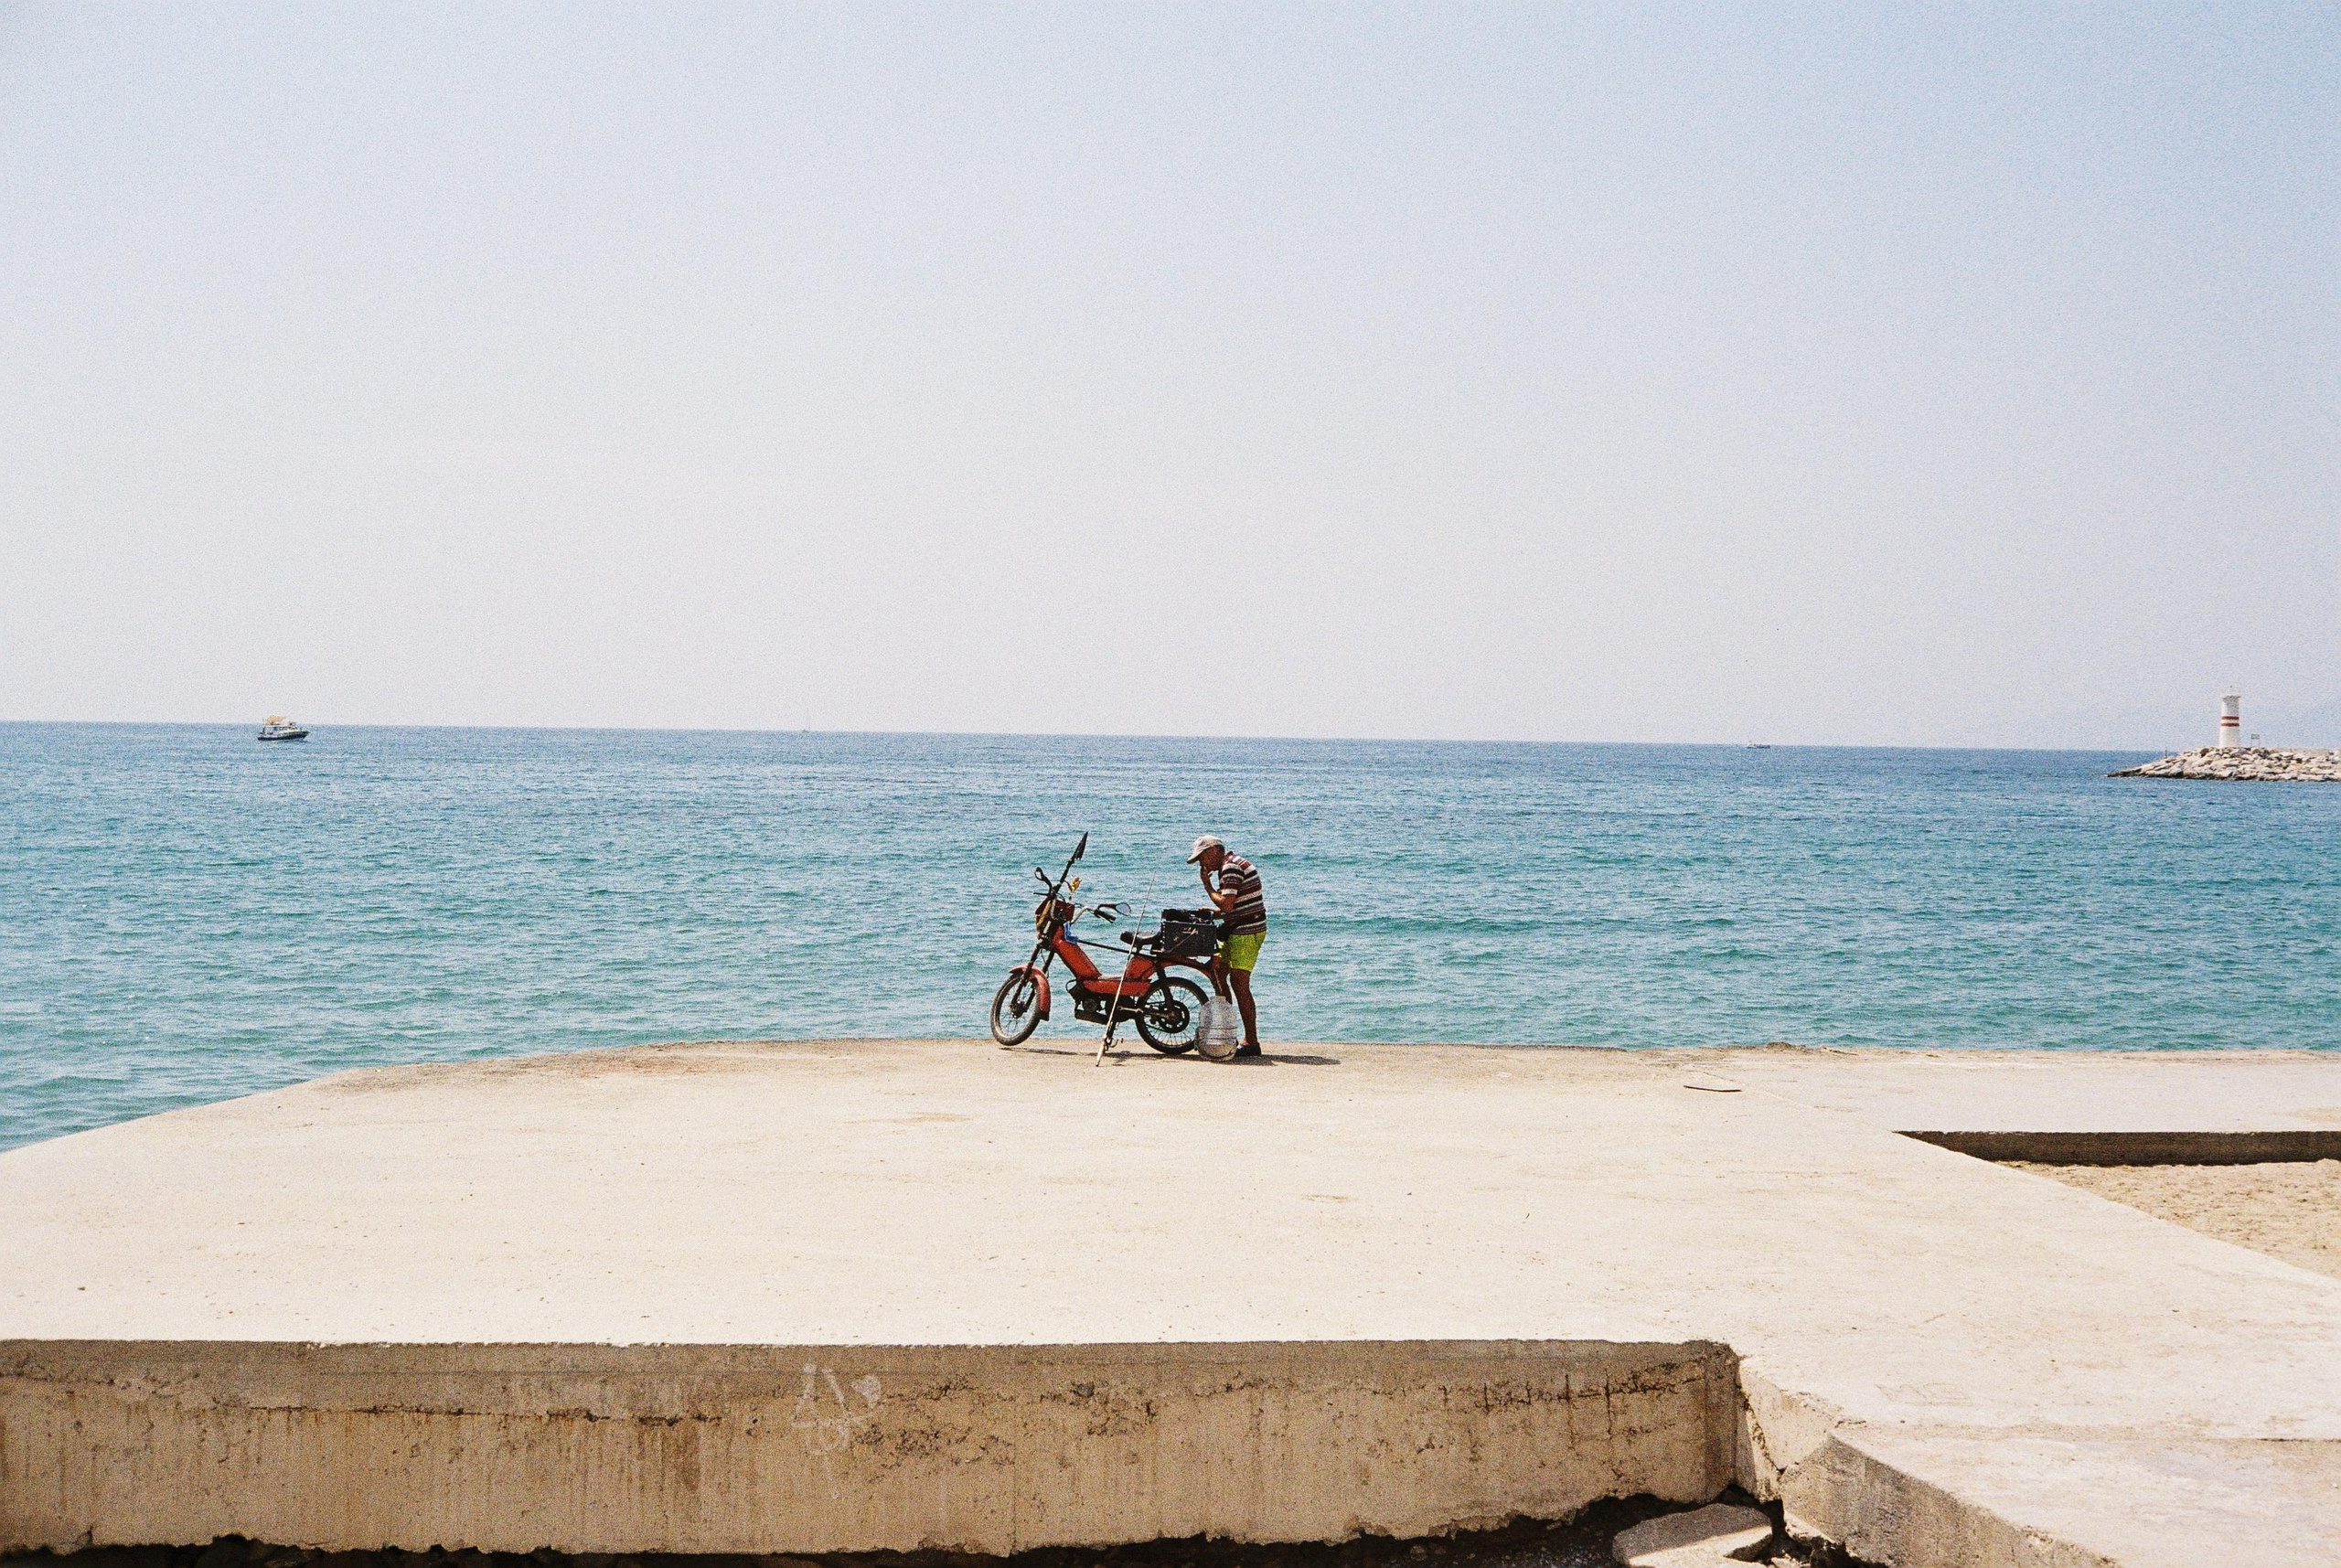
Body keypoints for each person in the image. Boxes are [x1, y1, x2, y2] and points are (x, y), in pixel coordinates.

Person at [1187, 835, 1267, 1057]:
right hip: (1237, 927)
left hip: (1247, 931)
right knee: (1218, 971)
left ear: (1213, 851)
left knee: (1240, 984)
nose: (1202, 864)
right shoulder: (1230, 866)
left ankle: (1251, 1042)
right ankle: (1226, 1031)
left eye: (1202, 858)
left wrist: (1207, 885)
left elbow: (1227, 905)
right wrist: (1215, 912)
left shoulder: (1230, 868)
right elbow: (1233, 906)